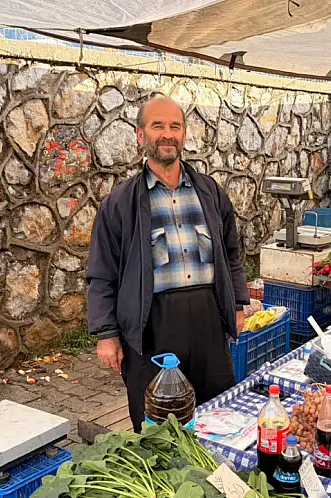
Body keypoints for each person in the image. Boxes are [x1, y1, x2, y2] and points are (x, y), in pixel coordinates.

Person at [86, 95, 249, 432]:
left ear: (184, 135)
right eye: (157, 125)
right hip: (151, 325)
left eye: (175, 126)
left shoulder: (210, 192)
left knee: (218, 413)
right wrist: (107, 334)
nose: (167, 133)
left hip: (207, 320)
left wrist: (237, 303)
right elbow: (102, 273)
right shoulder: (120, 202)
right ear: (140, 134)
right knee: (156, 426)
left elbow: (231, 252)